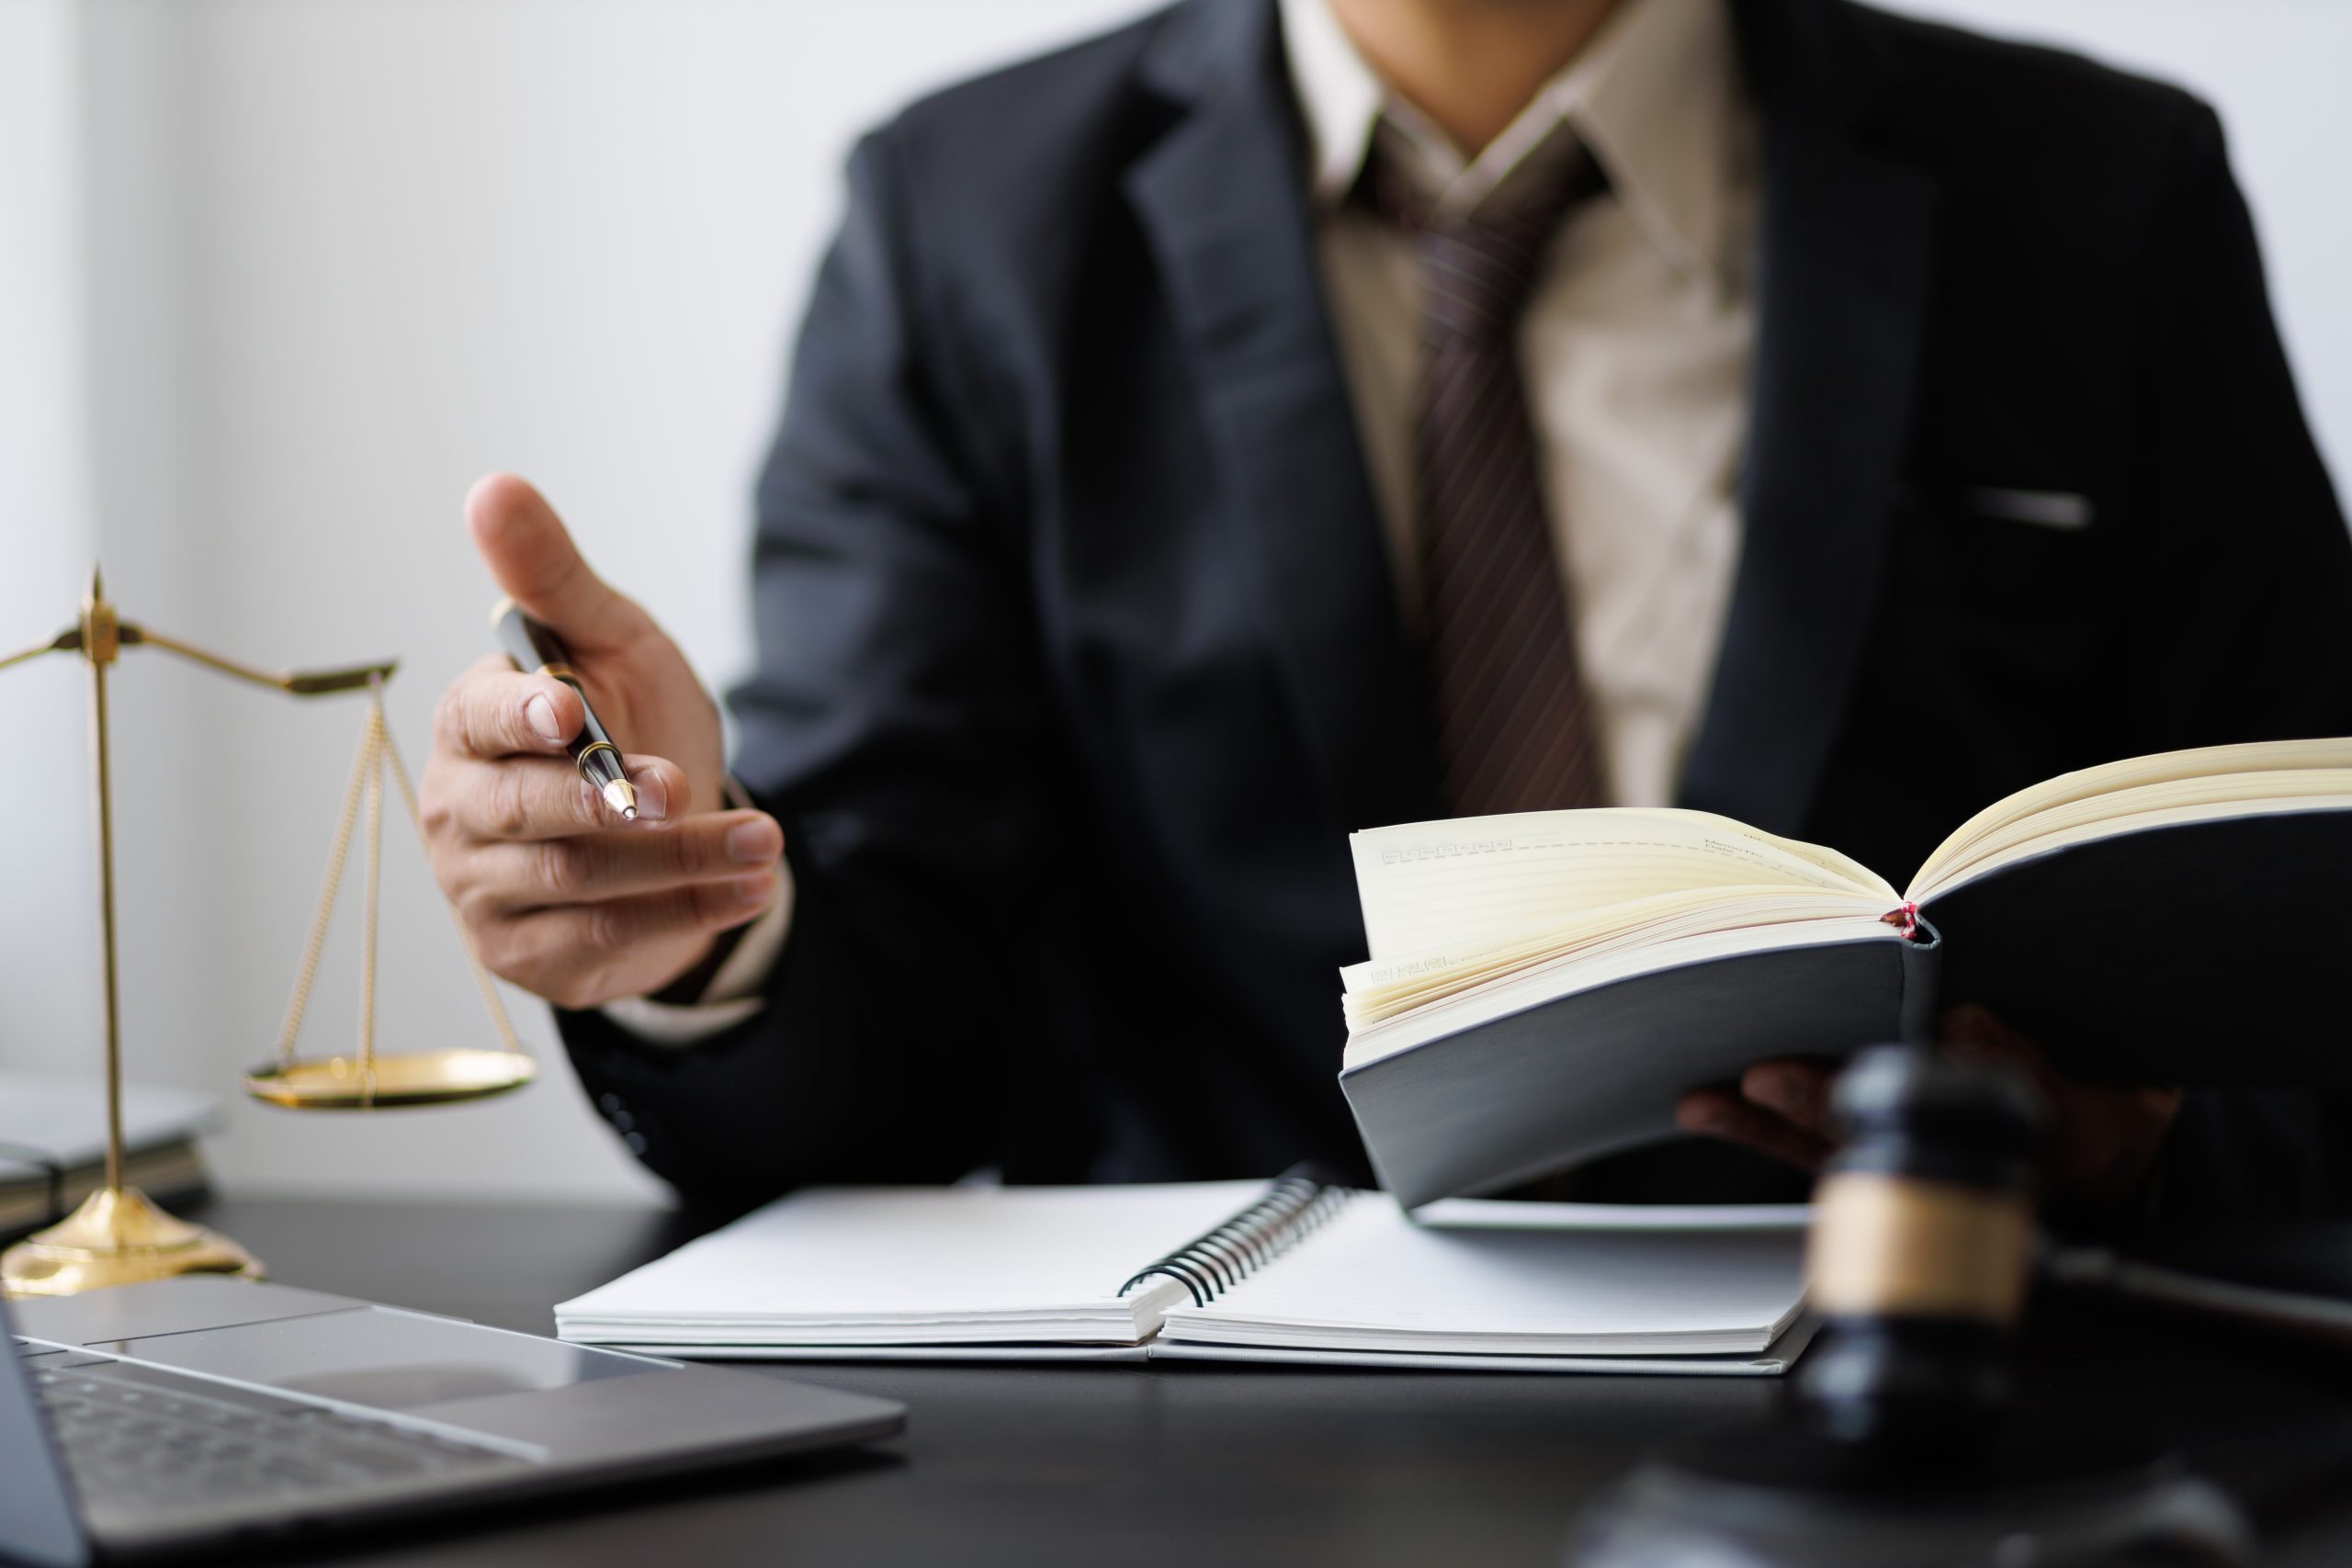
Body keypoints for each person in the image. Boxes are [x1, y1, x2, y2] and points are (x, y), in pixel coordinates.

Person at [420, 0, 2352, 1218]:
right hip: (1207, 1452)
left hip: (1944, 1402)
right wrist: (692, 922)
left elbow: (2301, 936)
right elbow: (892, 1027)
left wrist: (2147, 1141)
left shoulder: (2097, 196)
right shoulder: (969, 221)